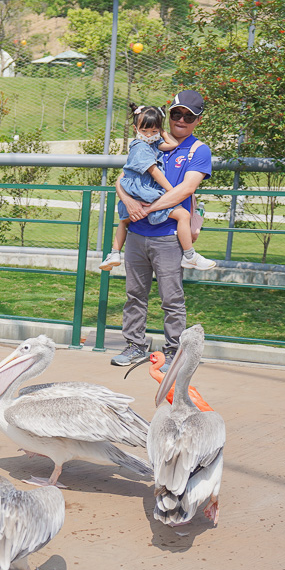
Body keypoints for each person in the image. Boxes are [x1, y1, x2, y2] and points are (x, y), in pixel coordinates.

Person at [111, 90, 213, 371]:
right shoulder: (149, 140)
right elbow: (122, 179)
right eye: (176, 113)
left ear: (198, 120)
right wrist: (129, 201)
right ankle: (134, 345)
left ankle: (173, 352)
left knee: (171, 298)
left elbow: (186, 188)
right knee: (135, 294)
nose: (181, 120)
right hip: (137, 234)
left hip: (168, 236)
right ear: (169, 114)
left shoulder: (198, 150)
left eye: (188, 116)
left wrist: (147, 208)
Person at [99, 103, 215, 272]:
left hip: (154, 217)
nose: (149, 135)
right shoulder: (141, 148)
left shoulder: (152, 144)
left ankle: (115, 252)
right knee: (182, 214)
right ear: (135, 129)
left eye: (153, 131)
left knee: (124, 220)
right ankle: (190, 255)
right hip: (145, 195)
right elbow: (154, 172)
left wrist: (160, 133)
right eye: (176, 114)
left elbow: (172, 145)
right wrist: (170, 190)